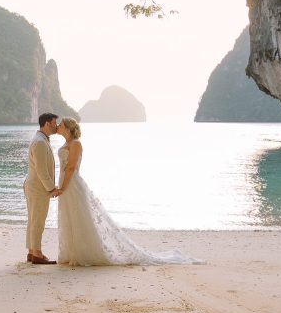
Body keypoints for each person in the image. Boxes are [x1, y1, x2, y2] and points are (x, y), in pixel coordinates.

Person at [55, 117, 204, 266]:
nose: (58, 126)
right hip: (65, 183)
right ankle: (71, 252)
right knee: (68, 218)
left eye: (60, 125)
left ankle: (83, 253)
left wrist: (63, 187)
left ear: (67, 128)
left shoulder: (75, 144)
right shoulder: (66, 144)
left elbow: (71, 167)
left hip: (72, 184)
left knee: (78, 218)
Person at [23, 112, 60, 264]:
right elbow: (41, 170)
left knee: (34, 219)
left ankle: (33, 251)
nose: (56, 126)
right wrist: (52, 188)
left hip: (34, 186)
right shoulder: (39, 142)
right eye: (54, 123)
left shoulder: (41, 140)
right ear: (46, 124)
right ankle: (37, 254)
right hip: (38, 187)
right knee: (38, 220)